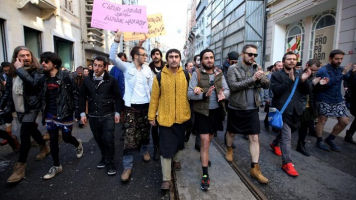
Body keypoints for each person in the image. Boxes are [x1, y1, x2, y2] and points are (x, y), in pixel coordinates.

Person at [109, 31, 153, 182]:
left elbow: (152, 89)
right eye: (143, 55)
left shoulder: (148, 70)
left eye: (146, 55)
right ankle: (127, 167)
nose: (146, 57)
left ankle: (145, 150)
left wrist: (155, 110)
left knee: (145, 132)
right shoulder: (127, 67)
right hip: (130, 109)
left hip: (146, 108)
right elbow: (112, 57)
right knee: (129, 137)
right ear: (135, 57)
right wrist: (116, 39)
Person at [225, 44, 269, 184]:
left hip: (252, 108)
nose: (252, 57)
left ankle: (255, 168)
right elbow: (234, 86)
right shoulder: (233, 69)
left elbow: (267, 85)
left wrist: (261, 76)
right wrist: (253, 80)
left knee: (254, 137)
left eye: (255, 55)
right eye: (250, 54)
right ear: (242, 54)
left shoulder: (257, 67)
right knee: (231, 132)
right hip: (236, 107)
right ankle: (229, 149)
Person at [148, 48, 191, 191]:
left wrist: (199, 90)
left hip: (182, 117)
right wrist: (151, 116)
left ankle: (177, 160)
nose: (174, 59)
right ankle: (166, 179)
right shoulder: (159, 77)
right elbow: (154, 98)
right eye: (171, 56)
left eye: (176, 56)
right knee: (166, 149)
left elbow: (192, 91)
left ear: (180, 59)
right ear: (167, 59)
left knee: (179, 144)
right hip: (165, 119)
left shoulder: (186, 75)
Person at [188, 49, 230, 191]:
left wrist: (224, 94)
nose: (209, 60)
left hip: (216, 113)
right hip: (202, 113)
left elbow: (228, 90)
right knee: (205, 141)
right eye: (206, 58)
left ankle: (204, 155)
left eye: (211, 57)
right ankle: (205, 174)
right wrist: (203, 94)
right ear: (201, 60)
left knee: (209, 140)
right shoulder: (197, 73)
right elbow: (189, 94)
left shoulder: (219, 73)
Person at [7, 46, 49, 184]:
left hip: (32, 107)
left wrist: (19, 70)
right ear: (16, 57)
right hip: (19, 108)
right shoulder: (12, 72)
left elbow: (33, 84)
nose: (26, 58)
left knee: (24, 134)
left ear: (31, 57)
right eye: (22, 55)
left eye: (28, 55)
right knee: (32, 129)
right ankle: (43, 146)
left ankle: (20, 167)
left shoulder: (38, 71)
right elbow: (9, 91)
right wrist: (5, 107)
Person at [40, 52, 84, 179]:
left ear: (54, 63)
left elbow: (75, 94)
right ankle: (56, 165)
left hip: (65, 113)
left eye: (46, 61)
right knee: (53, 139)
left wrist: (77, 112)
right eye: (42, 61)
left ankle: (78, 144)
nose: (43, 63)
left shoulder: (66, 76)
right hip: (50, 114)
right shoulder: (44, 77)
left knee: (66, 137)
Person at [270, 51, 311, 176]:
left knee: (288, 132)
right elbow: (276, 91)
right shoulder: (277, 75)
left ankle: (274, 143)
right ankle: (287, 163)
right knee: (287, 137)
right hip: (282, 110)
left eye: (294, 59)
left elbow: (307, 91)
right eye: (289, 59)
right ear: (284, 61)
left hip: (296, 110)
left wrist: (304, 81)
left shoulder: (300, 74)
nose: (292, 61)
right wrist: (290, 80)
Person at [80, 56, 123, 176]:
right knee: (99, 139)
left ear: (105, 67)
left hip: (108, 115)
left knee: (108, 140)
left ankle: (110, 163)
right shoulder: (87, 80)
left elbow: (118, 97)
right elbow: (82, 96)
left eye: (100, 66)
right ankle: (104, 157)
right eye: (95, 65)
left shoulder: (112, 80)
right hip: (93, 115)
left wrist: (118, 112)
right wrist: (82, 112)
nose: (97, 68)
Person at [314, 49, 350, 152]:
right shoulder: (323, 70)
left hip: (337, 99)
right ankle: (319, 140)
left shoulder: (340, 69)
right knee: (322, 120)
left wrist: (352, 73)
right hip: (324, 98)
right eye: (337, 59)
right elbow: (327, 84)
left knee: (345, 121)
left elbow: (347, 77)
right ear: (330, 58)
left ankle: (330, 139)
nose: (339, 61)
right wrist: (342, 74)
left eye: (341, 59)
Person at [296, 59, 321, 156]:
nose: (313, 72)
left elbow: (313, 92)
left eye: (316, 71)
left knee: (304, 128)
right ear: (307, 65)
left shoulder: (313, 76)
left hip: (308, 106)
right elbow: (302, 89)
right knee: (291, 127)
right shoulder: (299, 74)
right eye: (312, 69)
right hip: (298, 105)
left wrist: (320, 84)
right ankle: (276, 143)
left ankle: (301, 145)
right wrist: (311, 83)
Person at [148, 48, 166, 161]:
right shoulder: (147, 69)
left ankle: (164, 147)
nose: (155, 56)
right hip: (152, 101)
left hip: (165, 102)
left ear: (160, 56)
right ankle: (156, 148)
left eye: (157, 54)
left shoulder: (167, 68)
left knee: (165, 127)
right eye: (153, 54)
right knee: (154, 126)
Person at [344, 63, 356, 144]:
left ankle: (349, 134)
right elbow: (346, 80)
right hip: (353, 99)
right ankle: (349, 134)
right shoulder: (352, 73)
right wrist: (346, 89)